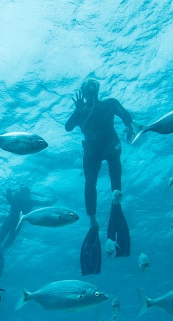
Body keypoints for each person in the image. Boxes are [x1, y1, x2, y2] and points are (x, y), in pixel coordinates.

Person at [65, 78, 135, 274]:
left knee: (114, 176)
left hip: (109, 146)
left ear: (96, 90)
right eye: (86, 85)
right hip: (93, 151)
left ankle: (116, 204)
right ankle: (93, 221)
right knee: (90, 184)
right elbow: (68, 127)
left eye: (91, 84)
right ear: (85, 92)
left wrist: (129, 127)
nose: (89, 86)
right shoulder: (82, 111)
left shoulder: (109, 103)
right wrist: (78, 110)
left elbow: (125, 115)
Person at [0, 184, 54, 275]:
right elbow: (9, 199)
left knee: (10, 240)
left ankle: (0, 251)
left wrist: (51, 202)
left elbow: (43, 204)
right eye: (23, 193)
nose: (25, 196)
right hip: (10, 221)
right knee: (1, 237)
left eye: (26, 194)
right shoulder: (17, 199)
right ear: (21, 194)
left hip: (18, 223)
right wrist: (8, 193)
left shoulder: (30, 202)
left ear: (28, 195)